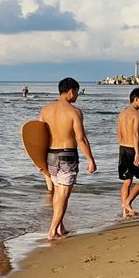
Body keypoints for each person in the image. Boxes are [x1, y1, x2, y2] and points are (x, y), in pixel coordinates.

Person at [38, 77, 96, 240]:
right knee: (63, 195)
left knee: (58, 192)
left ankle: (60, 228)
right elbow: (81, 139)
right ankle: (52, 231)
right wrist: (90, 159)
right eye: (77, 92)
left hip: (50, 155)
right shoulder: (74, 112)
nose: (77, 95)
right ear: (71, 91)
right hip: (67, 155)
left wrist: (39, 160)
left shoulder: (45, 110)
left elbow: (38, 137)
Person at [117, 88, 139, 218]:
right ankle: (127, 203)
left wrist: (123, 147)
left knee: (127, 181)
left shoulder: (122, 114)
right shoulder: (138, 114)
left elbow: (119, 135)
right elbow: (136, 134)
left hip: (123, 149)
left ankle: (125, 212)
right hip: (133, 149)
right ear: (136, 99)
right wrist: (137, 153)